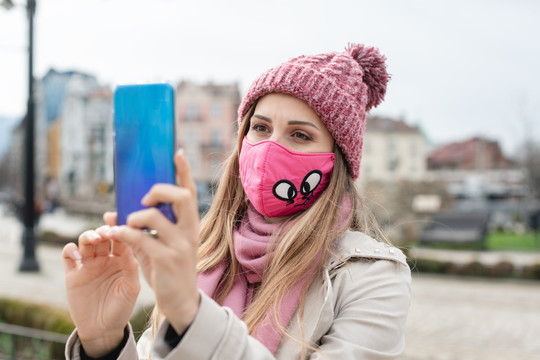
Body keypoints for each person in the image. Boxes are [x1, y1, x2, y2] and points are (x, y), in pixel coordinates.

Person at [63, 43, 411, 360]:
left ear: (337, 161)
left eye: (300, 134)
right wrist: (104, 342)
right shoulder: (204, 254)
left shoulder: (372, 277)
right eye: (260, 128)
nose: (270, 147)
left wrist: (192, 315)